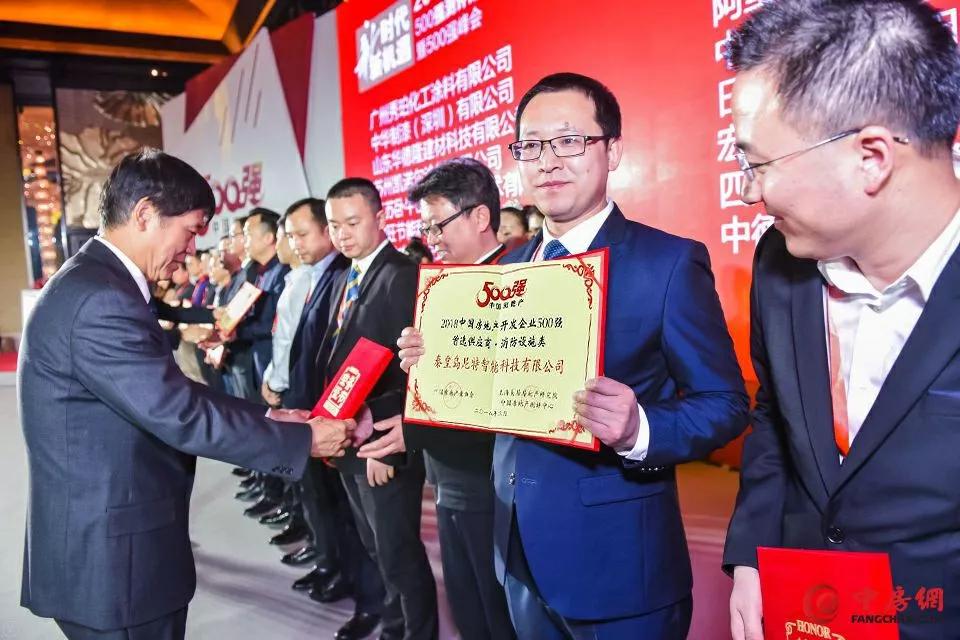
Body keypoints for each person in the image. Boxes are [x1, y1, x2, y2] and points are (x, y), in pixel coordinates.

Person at [397, 73, 748, 639]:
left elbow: (725, 403)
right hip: (516, 550)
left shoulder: (667, 263)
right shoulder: (507, 269)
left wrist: (639, 430)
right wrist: (436, 365)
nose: (548, 161)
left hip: (618, 571)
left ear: (613, 151)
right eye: (531, 146)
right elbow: (495, 394)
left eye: (569, 141)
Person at [18, 149, 355, 640]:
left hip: (109, 546)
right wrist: (303, 441)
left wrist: (273, 419)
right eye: (191, 230)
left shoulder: (97, 281)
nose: (193, 248)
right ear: (145, 214)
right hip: (114, 564)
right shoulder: (100, 298)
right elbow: (178, 412)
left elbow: (170, 393)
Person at [721, 3, 960, 640]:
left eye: (759, 164)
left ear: (871, 156)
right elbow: (775, 417)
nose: (749, 192)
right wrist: (752, 554)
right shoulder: (779, 263)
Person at [360, 158, 513, 640]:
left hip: (488, 475)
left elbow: (500, 395)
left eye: (438, 224)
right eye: (426, 228)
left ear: (480, 216)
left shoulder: (518, 285)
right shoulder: (445, 286)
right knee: (468, 604)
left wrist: (415, 427)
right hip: (446, 472)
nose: (431, 238)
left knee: (496, 609)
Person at [323, 178, 438, 640]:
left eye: (352, 223)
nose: (342, 234)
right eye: (334, 225)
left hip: (383, 441)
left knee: (398, 552)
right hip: (350, 438)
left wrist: (386, 446)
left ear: (380, 218)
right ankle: (394, 627)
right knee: (375, 547)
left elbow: (413, 370)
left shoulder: (402, 274)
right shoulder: (346, 275)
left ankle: (418, 633)